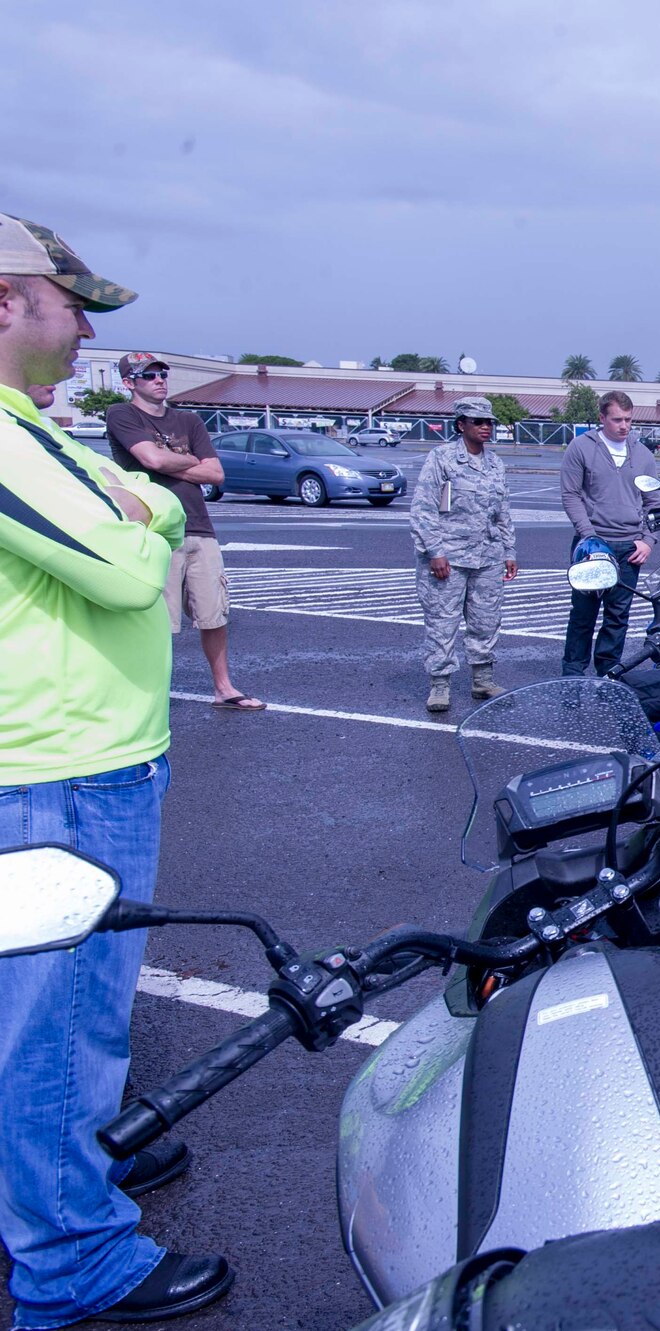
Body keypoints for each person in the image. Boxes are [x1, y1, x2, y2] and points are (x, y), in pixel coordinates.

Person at [0, 213, 236, 1325]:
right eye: (71, 299)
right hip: (53, 778)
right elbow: (126, 564)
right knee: (54, 1021)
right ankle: (68, 1257)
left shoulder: (29, 426)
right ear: (6, 301)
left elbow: (127, 502)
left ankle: (65, 1166)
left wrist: (132, 500)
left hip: (84, 764)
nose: (86, 324)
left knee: (73, 1013)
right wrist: (141, 515)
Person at [106, 352, 264, 711]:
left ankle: (224, 688)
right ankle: (145, 696)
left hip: (198, 526)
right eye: (148, 375)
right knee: (158, 620)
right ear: (130, 383)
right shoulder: (122, 414)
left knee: (214, 613)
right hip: (155, 529)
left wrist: (172, 463)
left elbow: (216, 474)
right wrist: (190, 461)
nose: (159, 379)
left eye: (162, 373)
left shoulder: (189, 420)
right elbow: (153, 460)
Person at [411, 396, 517, 712]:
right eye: (478, 422)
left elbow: (503, 512)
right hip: (449, 559)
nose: (486, 427)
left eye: (490, 423)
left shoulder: (496, 463)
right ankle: (439, 685)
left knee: (486, 621)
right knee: (442, 623)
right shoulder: (442, 459)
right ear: (461, 425)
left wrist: (509, 550)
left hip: (488, 556)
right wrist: (435, 552)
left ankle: (482, 681)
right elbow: (423, 509)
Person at [560, 390, 660, 677]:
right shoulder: (581, 448)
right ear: (602, 418)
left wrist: (647, 540)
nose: (624, 426)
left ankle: (608, 671)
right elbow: (570, 495)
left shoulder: (642, 454)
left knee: (618, 616)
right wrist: (588, 535)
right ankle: (572, 671)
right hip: (592, 545)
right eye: (617, 419)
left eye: (628, 420)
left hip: (629, 547)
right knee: (583, 614)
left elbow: (653, 503)